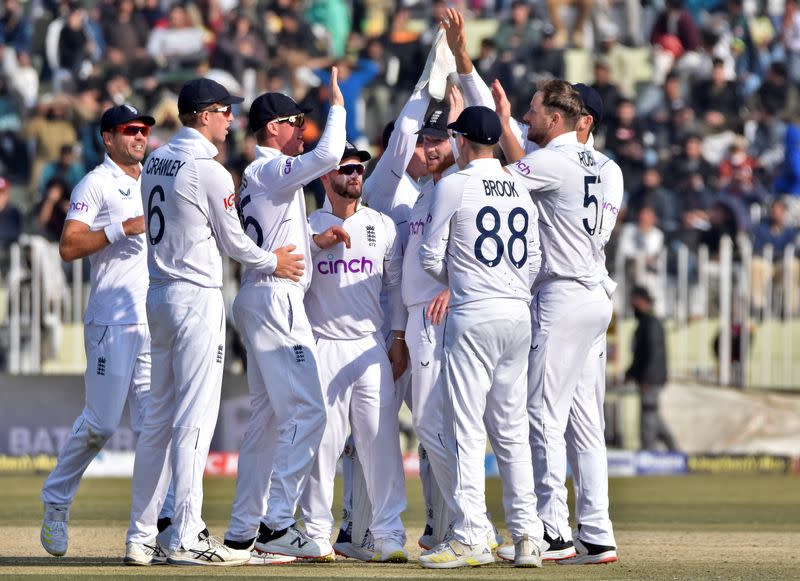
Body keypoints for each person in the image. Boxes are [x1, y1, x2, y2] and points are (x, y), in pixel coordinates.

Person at [125, 78, 302, 567]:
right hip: (195, 297)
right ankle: (185, 533)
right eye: (226, 112)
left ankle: (141, 536)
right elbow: (234, 243)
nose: (232, 120)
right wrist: (273, 262)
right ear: (204, 115)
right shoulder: (209, 169)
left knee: (158, 420)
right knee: (195, 421)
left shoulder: (154, 161)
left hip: (157, 294)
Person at [223, 71, 350, 562]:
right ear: (272, 128)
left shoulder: (266, 175)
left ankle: (240, 533)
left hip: (264, 295)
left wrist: (312, 241)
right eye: (296, 122)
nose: (303, 129)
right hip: (275, 299)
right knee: (310, 411)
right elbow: (329, 158)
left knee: (267, 422)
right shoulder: (268, 169)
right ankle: (277, 522)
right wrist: (335, 106)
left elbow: (276, 225)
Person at [494, 79, 619, 565]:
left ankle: (552, 530)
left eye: (534, 112)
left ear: (563, 117)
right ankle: (597, 532)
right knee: (585, 421)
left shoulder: (552, 160)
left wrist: (495, 127)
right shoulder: (605, 166)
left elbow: (498, 181)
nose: (529, 119)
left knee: (542, 413)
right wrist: (508, 122)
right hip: (595, 292)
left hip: (563, 293)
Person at [419, 106, 543, 569]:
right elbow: (532, 260)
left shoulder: (454, 184)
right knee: (511, 431)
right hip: (517, 312)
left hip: (474, 312)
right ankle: (529, 535)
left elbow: (430, 257)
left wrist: (461, 280)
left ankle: (471, 534)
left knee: (466, 428)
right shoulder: (521, 186)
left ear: (462, 141)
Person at [38, 105, 157, 560]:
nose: (139, 136)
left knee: (152, 429)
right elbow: (69, 245)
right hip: (111, 320)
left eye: (144, 129)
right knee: (102, 423)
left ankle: (150, 532)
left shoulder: (153, 179)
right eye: (130, 130)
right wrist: (120, 227)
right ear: (108, 138)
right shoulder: (95, 182)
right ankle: (56, 501)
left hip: (153, 320)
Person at [299, 141, 409, 563]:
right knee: (321, 448)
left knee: (381, 444)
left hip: (368, 345)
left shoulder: (381, 225)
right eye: (346, 168)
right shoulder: (307, 224)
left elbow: (396, 286)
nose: (355, 174)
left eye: (359, 167)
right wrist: (314, 246)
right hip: (322, 343)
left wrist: (397, 337)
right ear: (326, 176)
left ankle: (388, 535)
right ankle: (315, 535)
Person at [626, 286, 677, 451]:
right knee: (653, 415)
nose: (632, 305)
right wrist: (631, 373)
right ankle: (673, 448)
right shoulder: (645, 322)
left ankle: (648, 453)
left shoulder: (651, 323)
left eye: (634, 301)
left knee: (648, 417)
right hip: (649, 378)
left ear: (641, 301)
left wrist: (647, 378)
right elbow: (640, 355)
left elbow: (654, 353)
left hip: (651, 379)